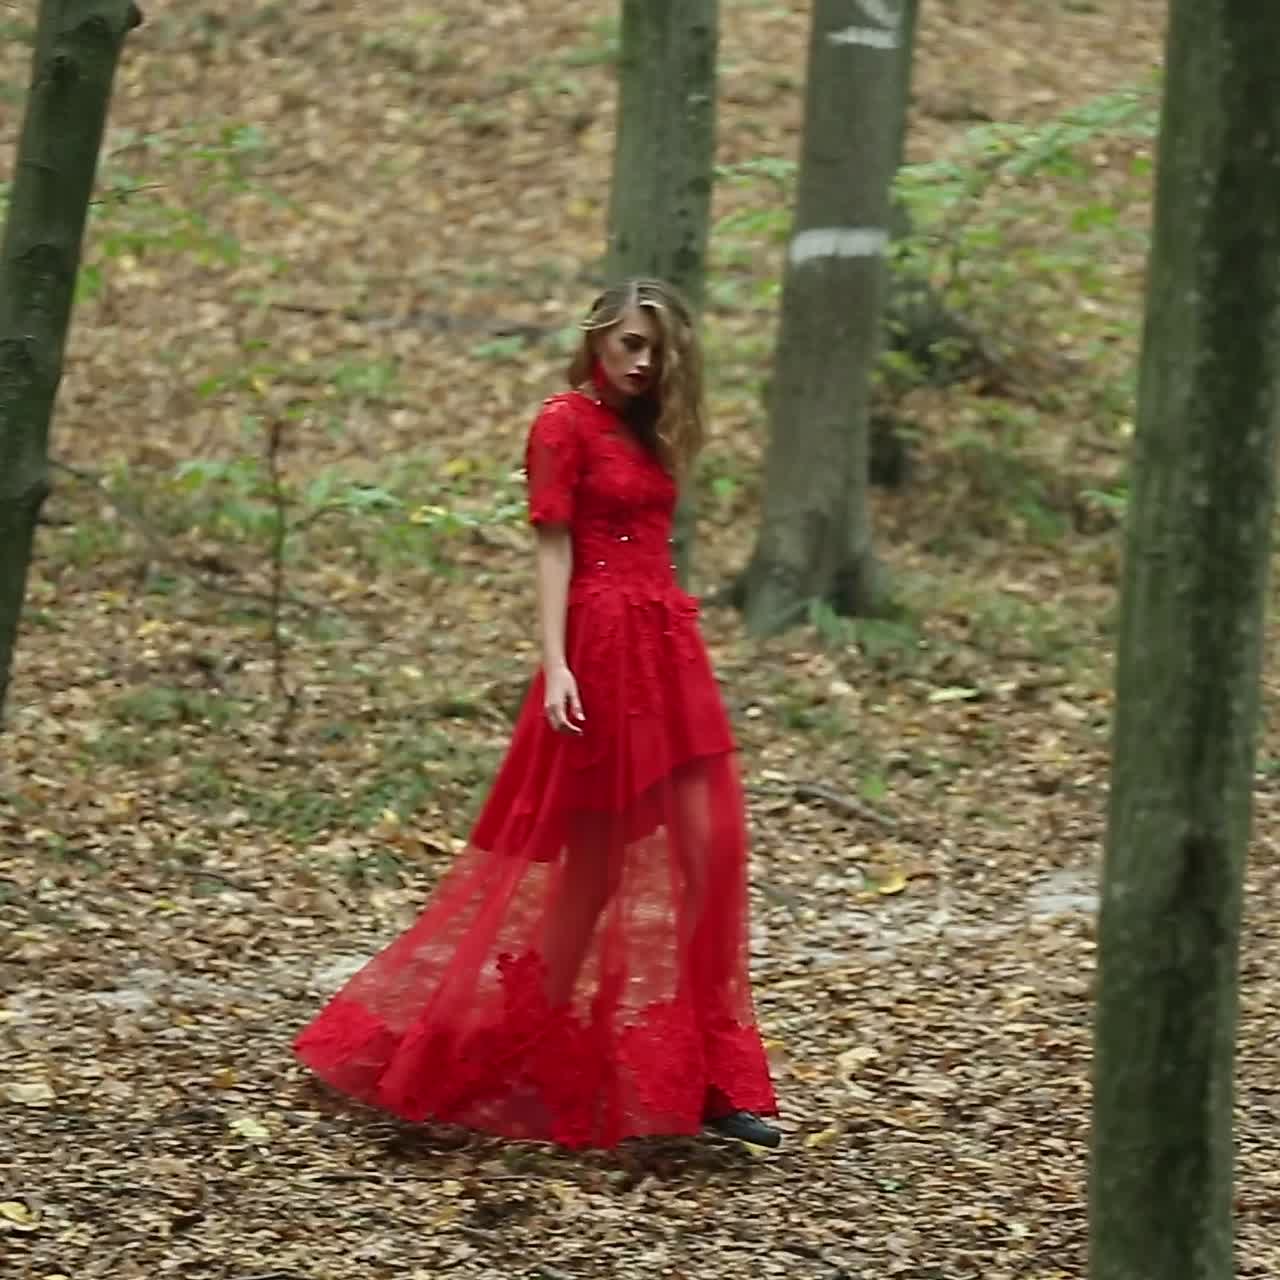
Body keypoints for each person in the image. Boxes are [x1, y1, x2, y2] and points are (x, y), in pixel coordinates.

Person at [294, 279, 780, 1150]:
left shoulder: (652, 431)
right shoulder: (563, 421)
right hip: (598, 650)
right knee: (586, 877)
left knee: (714, 845)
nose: (643, 360)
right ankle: (508, 1051)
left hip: (666, 646)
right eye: (630, 342)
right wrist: (556, 664)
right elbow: (552, 547)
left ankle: (714, 1075)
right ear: (597, 338)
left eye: (657, 348)